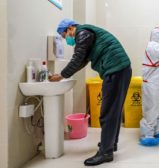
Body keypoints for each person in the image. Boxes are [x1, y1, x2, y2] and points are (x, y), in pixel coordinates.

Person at [50, 19, 132, 166]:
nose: (66, 39)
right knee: (114, 110)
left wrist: (61, 75)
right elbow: (81, 62)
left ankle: (106, 153)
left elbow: (77, 59)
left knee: (107, 112)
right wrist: (64, 74)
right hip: (120, 68)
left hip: (116, 69)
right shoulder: (86, 33)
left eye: (64, 35)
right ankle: (111, 144)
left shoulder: (82, 34)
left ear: (70, 28)